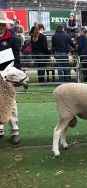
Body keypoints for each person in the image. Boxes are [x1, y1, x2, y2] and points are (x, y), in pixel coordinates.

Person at [0, 11, 22, 144]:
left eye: (3, 24)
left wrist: (16, 76)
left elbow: (17, 60)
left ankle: (15, 130)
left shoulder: (13, 39)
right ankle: (0, 128)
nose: (1, 26)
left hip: (8, 75)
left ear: (6, 25)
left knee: (11, 103)